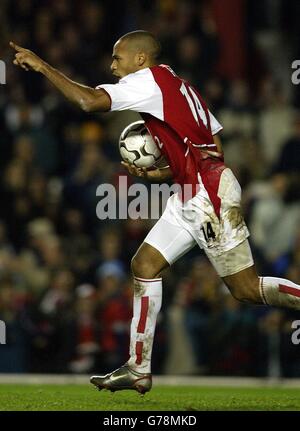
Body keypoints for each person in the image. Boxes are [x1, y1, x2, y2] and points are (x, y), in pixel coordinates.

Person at [10, 30, 300, 395]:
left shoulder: (145, 81)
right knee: (144, 265)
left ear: (140, 59)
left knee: (245, 290)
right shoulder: (178, 84)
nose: (113, 66)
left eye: (118, 59)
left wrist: (42, 67)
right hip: (192, 191)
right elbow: (212, 143)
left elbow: (88, 102)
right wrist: (163, 172)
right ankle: (138, 368)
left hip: (207, 194)